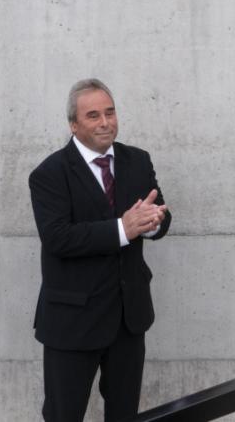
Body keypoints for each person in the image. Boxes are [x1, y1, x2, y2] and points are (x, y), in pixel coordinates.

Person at [29, 78, 173, 422]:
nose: (105, 122)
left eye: (110, 112)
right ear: (73, 124)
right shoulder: (49, 174)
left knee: (124, 414)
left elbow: (161, 214)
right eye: (93, 115)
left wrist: (152, 223)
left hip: (128, 317)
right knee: (64, 415)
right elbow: (58, 238)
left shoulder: (138, 160)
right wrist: (124, 228)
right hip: (73, 321)